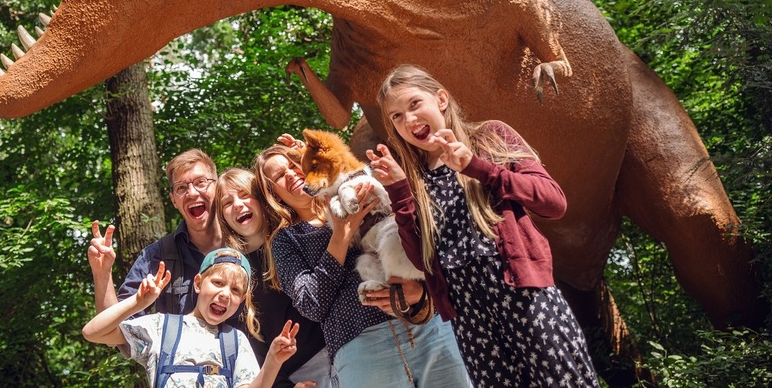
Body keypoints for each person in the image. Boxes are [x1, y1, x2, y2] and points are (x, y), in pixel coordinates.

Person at [369, 64, 600, 387]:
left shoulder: (490, 137)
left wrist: (476, 168)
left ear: (441, 100)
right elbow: (423, 261)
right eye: (396, 116)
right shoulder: (415, 181)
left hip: (526, 299)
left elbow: (553, 202)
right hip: (471, 323)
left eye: (414, 104)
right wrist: (398, 190)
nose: (408, 120)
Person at [257, 142, 473, 388]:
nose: (292, 173)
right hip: (362, 347)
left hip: (426, 327)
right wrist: (341, 235)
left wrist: (423, 294)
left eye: (295, 164)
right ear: (272, 193)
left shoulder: (357, 184)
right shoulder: (287, 239)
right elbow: (312, 304)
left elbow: (418, 241)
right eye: (279, 175)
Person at [83, 247, 301, 388]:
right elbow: (93, 332)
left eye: (235, 290)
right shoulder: (162, 327)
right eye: (217, 283)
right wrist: (137, 303)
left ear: (242, 300)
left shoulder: (235, 342)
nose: (225, 294)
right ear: (197, 283)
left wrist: (273, 360)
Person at [215, 168, 329, 388]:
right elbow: (249, 344)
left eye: (245, 194)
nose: (238, 204)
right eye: (227, 203)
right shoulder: (234, 273)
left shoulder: (297, 236)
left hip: (344, 348)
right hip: (301, 375)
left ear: (262, 198)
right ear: (223, 218)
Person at [89, 149, 223, 317]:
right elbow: (115, 327)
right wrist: (102, 273)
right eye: (181, 187)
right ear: (173, 199)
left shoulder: (247, 245)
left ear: (218, 187)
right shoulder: (158, 256)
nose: (192, 193)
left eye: (201, 182)